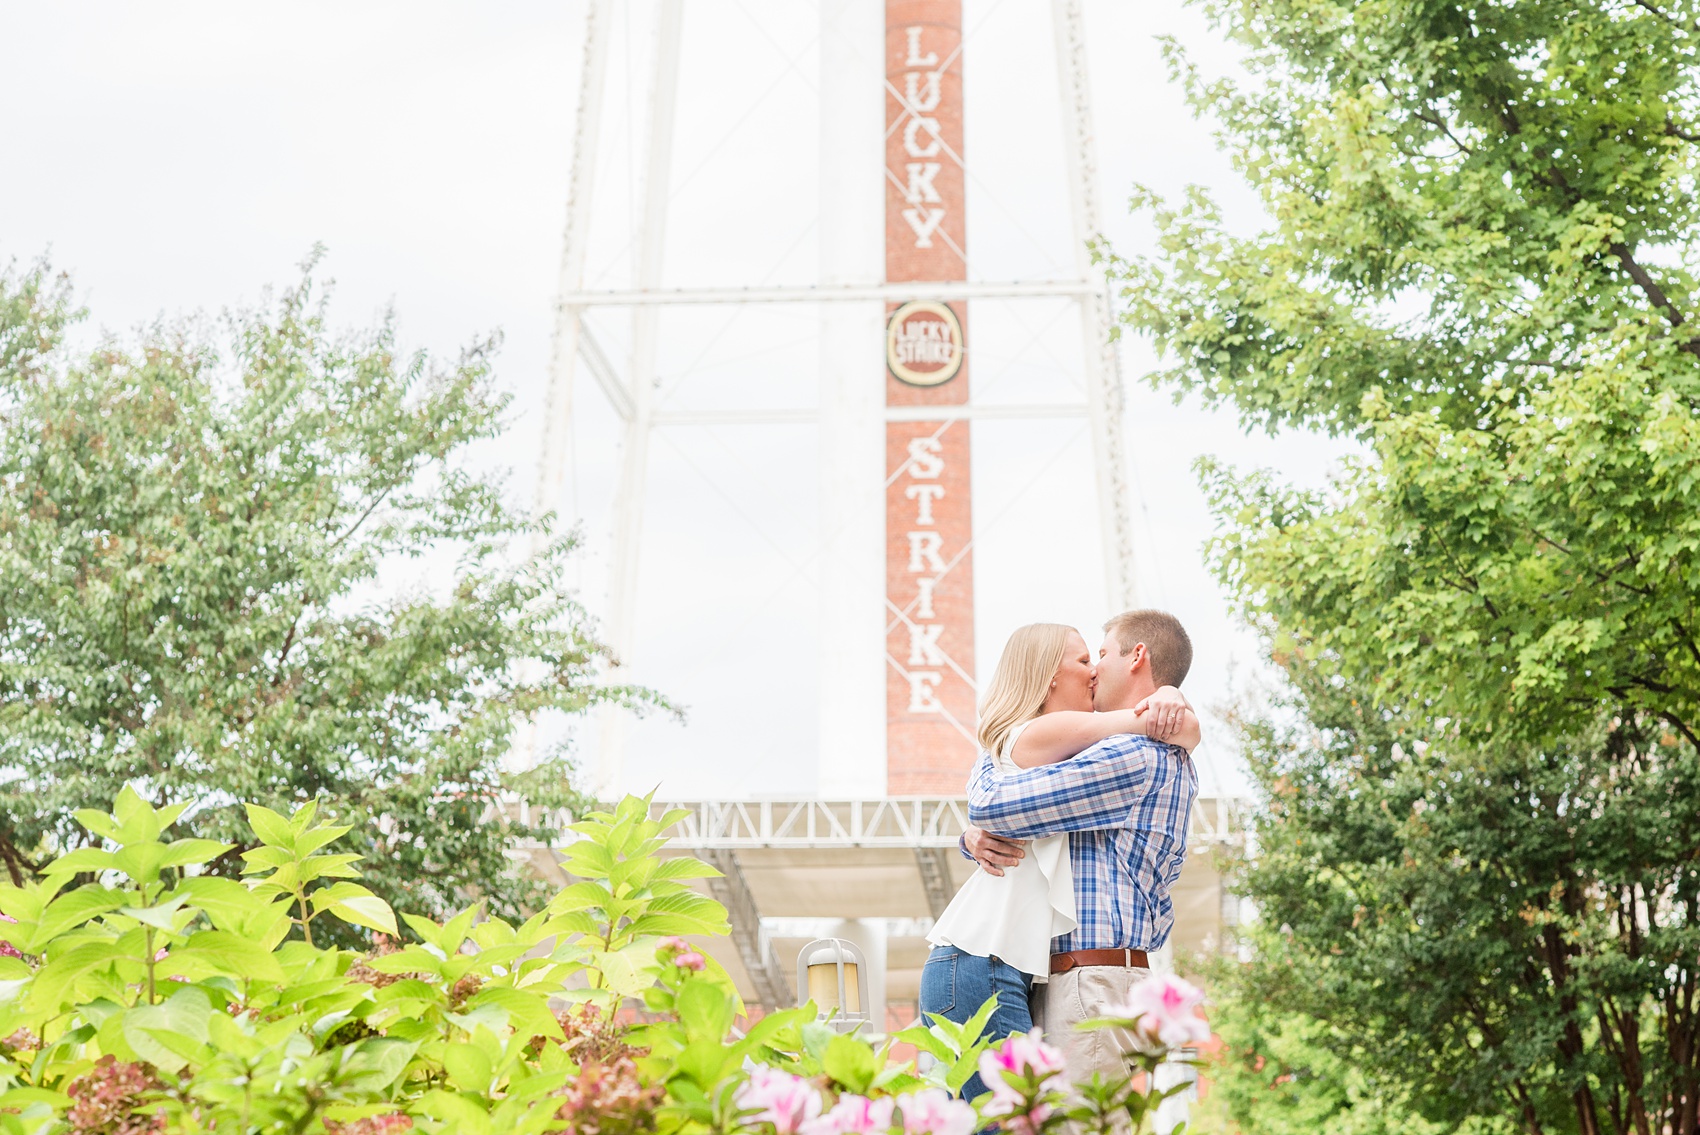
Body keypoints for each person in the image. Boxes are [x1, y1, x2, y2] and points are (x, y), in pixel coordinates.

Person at [918, 621, 1200, 1100]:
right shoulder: (1081, 747)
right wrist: (972, 838)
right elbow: (998, 804)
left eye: (1100, 655)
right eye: (1084, 660)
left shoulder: (1132, 753)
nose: (1093, 671)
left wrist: (1172, 708)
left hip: (1082, 980)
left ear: (1136, 657)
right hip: (1023, 970)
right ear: (1049, 675)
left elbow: (994, 804)